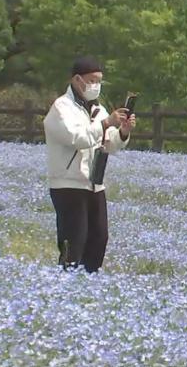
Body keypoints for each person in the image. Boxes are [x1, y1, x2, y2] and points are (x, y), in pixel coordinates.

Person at [43, 56, 135, 272]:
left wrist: (123, 131)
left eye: (99, 81)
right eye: (92, 80)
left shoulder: (98, 109)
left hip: (95, 184)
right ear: (77, 79)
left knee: (99, 239)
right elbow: (77, 138)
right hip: (68, 184)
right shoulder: (61, 107)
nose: (96, 85)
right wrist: (105, 123)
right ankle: (67, 282)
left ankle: (89, 284)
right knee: (74, 242)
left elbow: (109, 143)